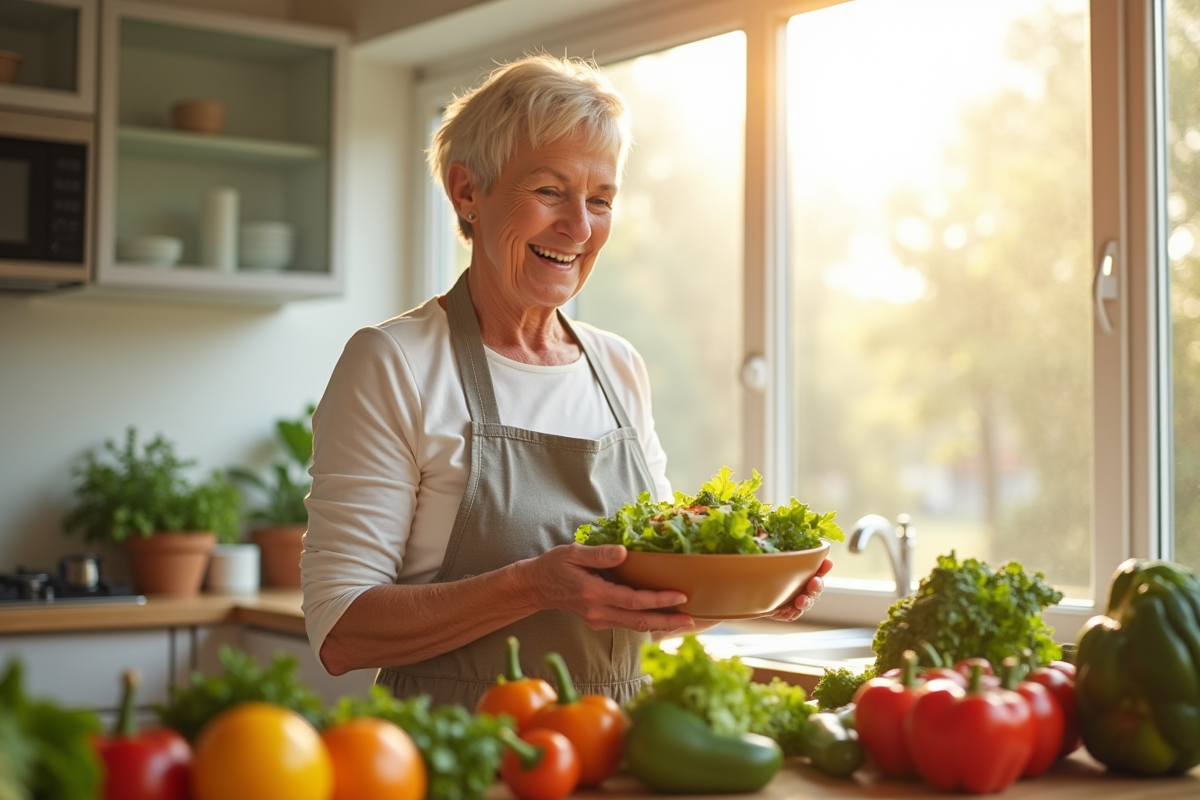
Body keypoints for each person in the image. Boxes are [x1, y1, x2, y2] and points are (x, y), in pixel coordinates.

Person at [301, 53, 833, 709]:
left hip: (615, 748)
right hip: (460, 757)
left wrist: (750, 591)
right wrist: (532, 585)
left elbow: (640, 613)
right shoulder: (393, 363)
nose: (579, 228)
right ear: (468, 191)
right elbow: (341, 632)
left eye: (600, 200)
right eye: (550, 191)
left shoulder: (617, 368)